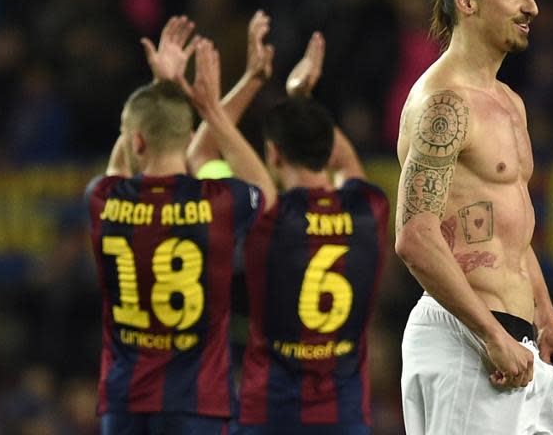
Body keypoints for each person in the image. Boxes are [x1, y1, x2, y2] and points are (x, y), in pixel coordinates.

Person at [394, 0, 553, 434]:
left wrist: (547, 319)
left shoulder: (508, 103)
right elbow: (415, 236)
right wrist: (490, 335)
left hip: (515, 345)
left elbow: (512, 232)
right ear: (467, 0)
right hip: (466, 340)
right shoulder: (444, 104)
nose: (532, 7)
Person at [191, 26, 391, 434]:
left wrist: (228, 96)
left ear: (274, 153)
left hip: (271, 415)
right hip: (344, 416)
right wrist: (301, 97)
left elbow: (202, 152)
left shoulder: (265, 213)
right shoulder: (369, 206)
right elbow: (343, 159)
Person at [86, 32, 276, 434]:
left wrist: (161, 89)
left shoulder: (104, 198)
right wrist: (213, 112)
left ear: (136, 141)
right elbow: (267, 193)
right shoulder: (217, 203)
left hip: (125, 402)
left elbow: (126, 152)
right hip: (198, 403)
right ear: (190, 138)